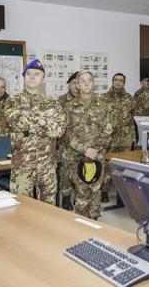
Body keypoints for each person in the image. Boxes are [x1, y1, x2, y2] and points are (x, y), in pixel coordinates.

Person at [4, 59, 67, 205]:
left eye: (37, 74)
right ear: (24, 77)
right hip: (22, 165)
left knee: (48, 207)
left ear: (43, 79)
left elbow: (59, 129)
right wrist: (46, 121)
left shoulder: (53, 103)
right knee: (20, 206)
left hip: (47, 165)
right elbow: (17, 122)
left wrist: (29, 122)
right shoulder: (13, 101)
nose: (32, 77)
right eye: (29, 74)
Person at [63, 70, 113, 220]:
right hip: (76, 159)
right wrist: (84, 150)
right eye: (82, 81)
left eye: (89, 80)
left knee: (95, 194)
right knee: (81, 196)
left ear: (93, 83)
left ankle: (94, 226)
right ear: (77, 85)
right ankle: (82, 229)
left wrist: (95, 150)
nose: (86, 83)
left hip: (97, 157)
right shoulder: (69, 107)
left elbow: (107, 131)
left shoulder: (103, 106)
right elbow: (66, 132)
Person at [100, 73, 135, 203]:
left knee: (125, 166)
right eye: (116, 80)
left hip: (125, 136)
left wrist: (132, 137)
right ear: (112, 81)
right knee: (107, 165)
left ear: (124, 83)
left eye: (121, 80)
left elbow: (132, 118)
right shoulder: (104, 98)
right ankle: (104, 190)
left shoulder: (129, 98)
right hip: (110, 137)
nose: (118, 82)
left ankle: (123, 194)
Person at [57, 71, 79, 210]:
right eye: (73, 83)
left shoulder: (85, 99)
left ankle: (79, 196)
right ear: (69, 84)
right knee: (65, 173)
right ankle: (65, 198)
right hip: (65, 145)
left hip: (82, 144)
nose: (77, 86)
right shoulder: (61, 101)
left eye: (79, 83)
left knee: (80, 172)